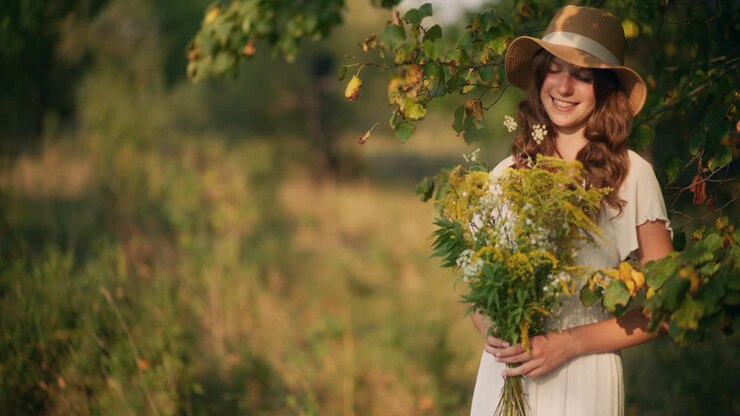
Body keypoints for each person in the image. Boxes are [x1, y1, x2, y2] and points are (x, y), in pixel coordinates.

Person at [469, 6, 674, 416]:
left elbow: (666, 309)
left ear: (604, 88)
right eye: (555, 70)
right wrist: (495, 329)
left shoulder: (633, 175)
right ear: (539, 76)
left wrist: (571, 342)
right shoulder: (503, 175)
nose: (564, 87)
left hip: (584, 377)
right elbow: (479, 297)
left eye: (582, 75)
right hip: (506, 376)